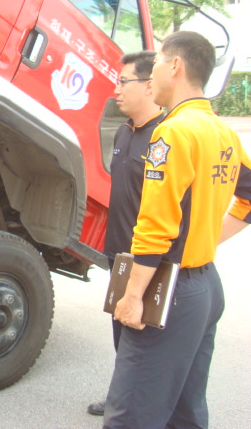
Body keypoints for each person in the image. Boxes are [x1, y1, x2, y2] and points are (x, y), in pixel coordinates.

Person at [103, 31, 251, 428]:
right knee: (184, 412)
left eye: (155, 64)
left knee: (130, 417)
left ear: (175, 66)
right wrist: (207, 237)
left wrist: (133, 295)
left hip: (168, 289)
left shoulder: (173, 132)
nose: (151, 75)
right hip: (204, 287)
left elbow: (156, 224)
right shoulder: (221, 131)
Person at [87, 50, 164, 417]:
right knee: (121, 330)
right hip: (120, 256)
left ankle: (140, 406)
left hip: (149, 258)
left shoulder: (165, 138)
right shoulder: (123, 132)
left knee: (146, 339)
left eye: (123, 81)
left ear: (149, 86)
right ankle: (122, 396)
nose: (115, 89)